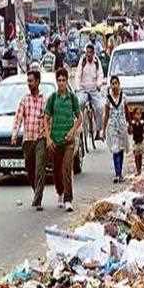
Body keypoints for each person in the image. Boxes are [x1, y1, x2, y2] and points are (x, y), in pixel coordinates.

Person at [45, 68, 82, 212]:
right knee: (57, 171)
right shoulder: (53, 98)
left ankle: (68, 199)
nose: (61, 83)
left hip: (69, 142)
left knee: (67, 168)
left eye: (63, 80)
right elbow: (46, 119)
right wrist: (48, 138)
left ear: (67, 81)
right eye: (59, 80)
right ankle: (60, 192)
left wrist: (72, 131)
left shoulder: (72, 98)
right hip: (55, 140)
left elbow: (79, 118)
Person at [11, 70, 47, 210]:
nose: (29, 84)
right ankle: (36, 191)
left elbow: (47, 119)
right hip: (28, 140)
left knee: (39, 170)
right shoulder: (24, 100)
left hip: (40, 139)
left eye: (31, 81)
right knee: (30, 170)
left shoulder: (44, 100)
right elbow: (18, 119)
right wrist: (14, 134)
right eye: (28, 81)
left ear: (37, 82)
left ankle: (37, 199)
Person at [102, 75, 130, 183]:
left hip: (122, 126)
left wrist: (130, 124)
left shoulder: (124, 97)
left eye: (116, 83)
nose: (114, 86)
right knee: (115, 149)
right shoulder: (108, 99)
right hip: (112, 126)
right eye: (112, 83)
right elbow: (106, 115)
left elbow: (127, 112)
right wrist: (103, 130)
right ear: (110, 85)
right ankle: (117, 174)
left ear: (119, 84)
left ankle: (120, 172)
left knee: (121, 149)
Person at [75, 43, 104, 140]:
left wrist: (99, 84)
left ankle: (98, 131)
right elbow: (78, 75)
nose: (88, 55)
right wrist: (78, 87)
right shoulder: (82, 61)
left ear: (93, 53)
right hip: (83, 90)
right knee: (79, 104)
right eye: (87, 53)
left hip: (94, 89)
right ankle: (80, 126)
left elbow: (100, 75)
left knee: (100, 107)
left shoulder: (97, 62)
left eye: (90, 53)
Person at [128, 105, 144, 175]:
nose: (138, 116)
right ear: (134, 115)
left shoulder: (142, 123)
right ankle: (137, 169)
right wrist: (130, 129)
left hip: (141, 142)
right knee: (136, 156)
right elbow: (130, 132)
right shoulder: (133, 124)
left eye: (139, 114)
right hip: (135, 142)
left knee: (140, 156)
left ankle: (140, 169)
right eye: (137, 114)